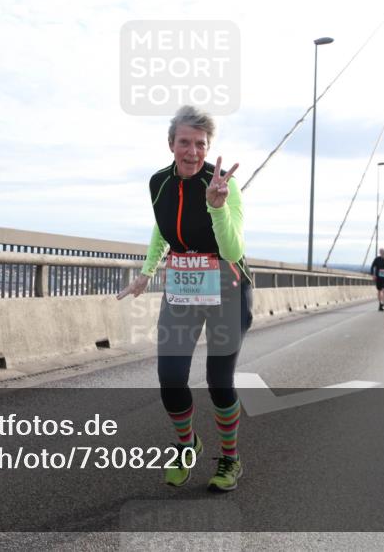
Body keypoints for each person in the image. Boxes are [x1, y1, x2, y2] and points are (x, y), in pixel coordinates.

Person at [117, 105, 253, 492]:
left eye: (200, 144)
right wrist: (147, 272)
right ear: (171, 144)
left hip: (227, 289)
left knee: (219, 381)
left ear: (208, 147)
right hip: (183, 289)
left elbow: (232, 250)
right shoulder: (158, 182)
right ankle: (187, 444)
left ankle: (230, 459)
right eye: (184, 142)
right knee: (171, 379)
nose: (192, 151)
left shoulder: (223, 184)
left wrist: (217, 207)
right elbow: (163, 229)